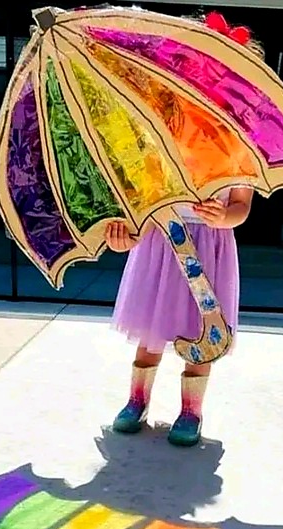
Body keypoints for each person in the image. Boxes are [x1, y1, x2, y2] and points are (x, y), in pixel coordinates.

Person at [106, 187, 253, 447]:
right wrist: (129, 237)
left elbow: (241, 205)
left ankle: (191, 411)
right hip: (161, 237)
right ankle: (137, 400)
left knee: (203, 326)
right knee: (151, 326)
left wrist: (224, 217)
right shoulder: (161, 155)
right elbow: (143, 200)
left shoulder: (238, 162)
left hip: (208, 243)